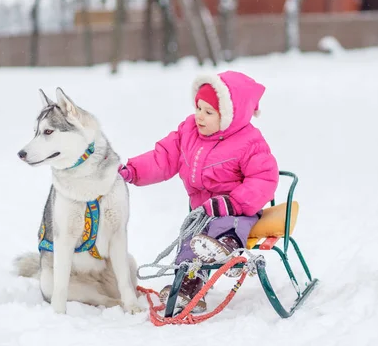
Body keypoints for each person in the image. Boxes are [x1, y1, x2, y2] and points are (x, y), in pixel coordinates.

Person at [118, 71, 279, 313]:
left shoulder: (249, 142)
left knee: (225, 225)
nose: (199, 116)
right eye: (198, 108)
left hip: (239, 210)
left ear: (228, 116)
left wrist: (233, 202)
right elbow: (162, 158)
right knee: (189, 243)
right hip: (202, 213)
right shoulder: (188, 131)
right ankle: (188, 285)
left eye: (208, 112)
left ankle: (228, 248)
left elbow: (264, 178)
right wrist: (132, 171)